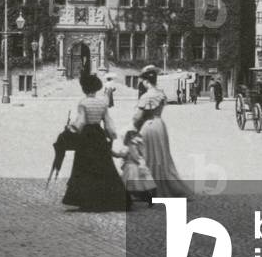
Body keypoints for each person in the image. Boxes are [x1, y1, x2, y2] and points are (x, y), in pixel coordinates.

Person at [62, 73, 128, 212]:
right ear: (96, 88)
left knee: (84, 166)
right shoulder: (102, 103)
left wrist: (71, 129)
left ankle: (86, 199)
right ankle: (110, 198)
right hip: (99, 135)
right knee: (104, 166)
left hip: (86, 136)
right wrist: (112, 136)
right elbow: (108, 122)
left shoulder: (83, 103)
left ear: (84, 89)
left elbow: (81, 121)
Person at [133, 65, 193, 198]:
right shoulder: (161, 94)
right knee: (161, 158)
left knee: (145, 156)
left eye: (142, 80)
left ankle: (146, 188)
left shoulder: (146, 96)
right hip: (160, 125)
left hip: (148, 125)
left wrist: (134, 127)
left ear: (146, 81)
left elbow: (138, 116)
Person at [113, 129, 156, 207]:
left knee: (129, 187)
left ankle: (129, 202)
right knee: (137, 187)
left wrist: (112, 153)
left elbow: (121, 155)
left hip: (130, 168)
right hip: (134, 167)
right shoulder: (135, 146)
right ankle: (148, 199)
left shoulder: (129, 147)